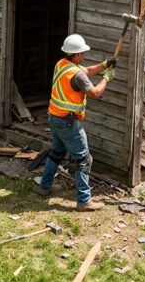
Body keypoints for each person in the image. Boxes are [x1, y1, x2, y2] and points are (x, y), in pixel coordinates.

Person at [35, 33, 115, 211]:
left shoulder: (62, 65)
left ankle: (44, 187)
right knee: (84, 159)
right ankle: (84, 201)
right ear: (77, 54)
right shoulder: (77, 75)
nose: (84, 56)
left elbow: (86, 71)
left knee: (56, 152)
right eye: (83, 53)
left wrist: (104, 65)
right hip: (68, 122)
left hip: (54, 117)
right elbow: (94, 93)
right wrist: (107, 77)